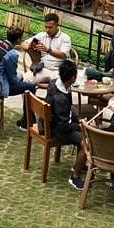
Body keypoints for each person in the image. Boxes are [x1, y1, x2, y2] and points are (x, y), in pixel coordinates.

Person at [44, 60, 87, 190]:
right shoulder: (60, 98)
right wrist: (79, 126)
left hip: (54, 122)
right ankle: (75, 176)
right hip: (56, 129)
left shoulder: (55, 83)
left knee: (83, 129)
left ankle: (79, 163)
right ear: (73, 78)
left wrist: (77, 119)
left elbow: (67, 111)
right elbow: (63, 126)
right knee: (86, 143)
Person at [22, 13, 72, 83]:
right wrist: (29, 46)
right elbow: (24, 43)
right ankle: (30, 94)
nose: (47, 30)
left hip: (59, 71)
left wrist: (48, 50)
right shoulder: (41, 35)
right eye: (46, 27)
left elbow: (63, 55)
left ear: (57, 25)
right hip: (43, 69)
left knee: (59, 87)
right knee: (24, 80)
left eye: (50, 27)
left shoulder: (65, 38)